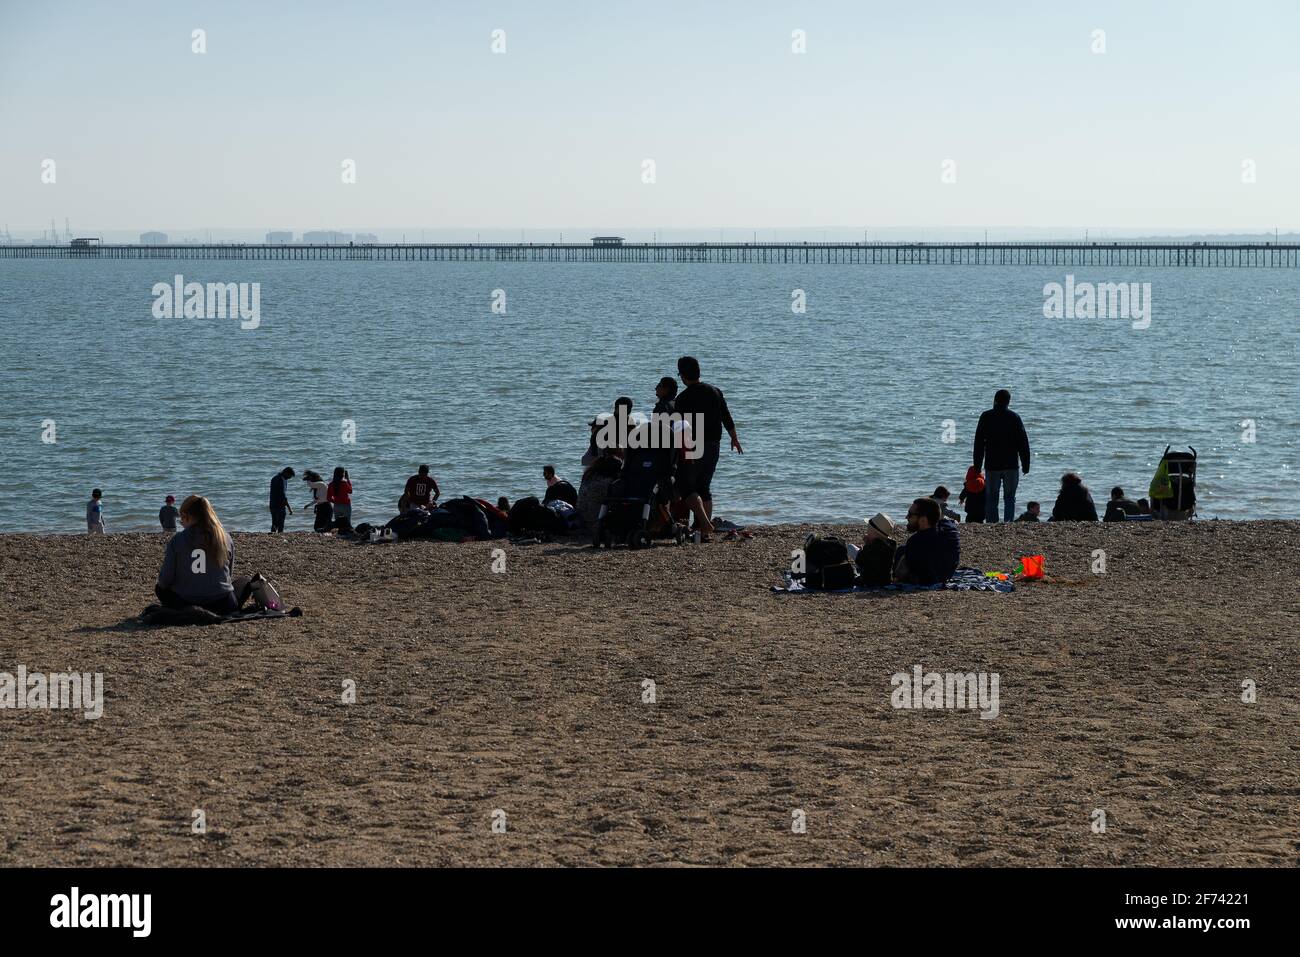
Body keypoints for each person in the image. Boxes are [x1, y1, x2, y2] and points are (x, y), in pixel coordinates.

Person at [674, 356, 741, 529]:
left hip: (693, 445)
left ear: (682, 375)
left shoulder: (682, 398)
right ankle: (703, 530)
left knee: (687, 487)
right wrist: (734, 438)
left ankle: (704, 524)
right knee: (704, 487)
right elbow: (726, 417)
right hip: (713, 445)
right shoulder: (715, 391)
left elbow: (681, 428)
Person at [155, 495, 250, 614]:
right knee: (246, 581)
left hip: (185, 602)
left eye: (182, 520)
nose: (182, 524)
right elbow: (228, 576)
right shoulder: (225, 538)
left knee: (159, 588)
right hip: (223, 604)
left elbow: (165, 580)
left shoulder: (177, 540)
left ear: (187, 517)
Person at [973, 389, 1031, 523]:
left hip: (992, 465)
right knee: (1010, 498)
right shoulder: (1014, 417)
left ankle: (992, 523)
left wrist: (977, 466)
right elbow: (1023, 443)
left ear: (995, 400)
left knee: (992, 498)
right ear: (1008, 402)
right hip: (1011, 465)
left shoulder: (986, 416)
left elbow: (979, 443)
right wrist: (1025, 465)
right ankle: (1008, 522)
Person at [893, 498, 960, 585]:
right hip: (948, 574)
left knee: (901, 551)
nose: (906, 517)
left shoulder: (915, 542)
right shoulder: (949, 528)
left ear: (923, 520)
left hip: (928, 579)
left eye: (910, 515)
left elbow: (911, 569)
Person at [855, 512, 898, 586]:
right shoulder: (892, 545)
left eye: (868, 529)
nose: (867, 532)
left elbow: (859, 561)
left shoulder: (872, 547)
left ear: (873, 532)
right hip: (886, 579)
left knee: (850, 548)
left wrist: (865, 546)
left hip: (869, 580)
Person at [269, 467, 294, 532]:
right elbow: (283, 495)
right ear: (286, 473)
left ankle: (273, 535)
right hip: (280, 505)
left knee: (274, 522)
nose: (289, 478)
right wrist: (289, 508)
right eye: (290, 476)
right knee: (280, 524)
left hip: (272, 504)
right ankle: (279, 535)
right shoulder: (281, 480)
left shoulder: (274, 478)